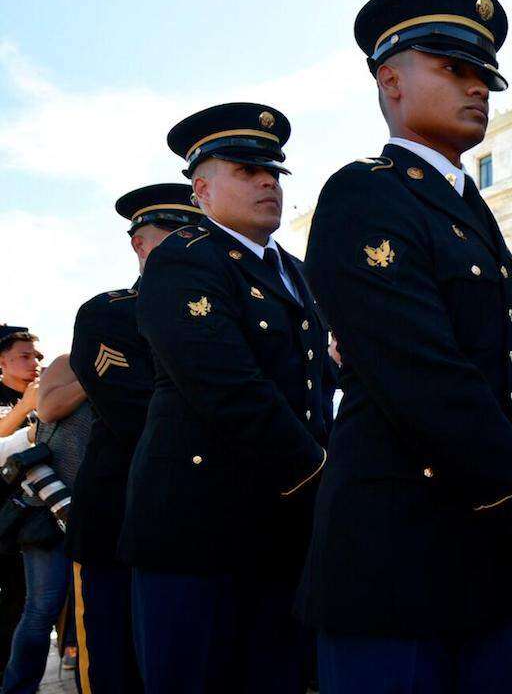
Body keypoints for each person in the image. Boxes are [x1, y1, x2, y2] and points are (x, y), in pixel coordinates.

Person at [301, 0, 512, 692]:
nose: (477, 90)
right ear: (391, 79)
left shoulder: (468, 209)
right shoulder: (364, 193)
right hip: (397, 556)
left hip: (482, 551)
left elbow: (495, 380)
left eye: (484, 76)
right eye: (453, 69)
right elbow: (423, 376)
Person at [121, 102, 332, 693]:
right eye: (246, 170)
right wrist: (323, 474)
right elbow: (226, 385)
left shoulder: (297, 271)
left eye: (274, 172)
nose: (268, 181)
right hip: (196, 528)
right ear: (202, 190)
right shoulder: (183, 261)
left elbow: (317, 387)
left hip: (280, 527)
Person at [64, 184, 201, 694]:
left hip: (203, 527)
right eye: (179, 236)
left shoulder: (225, 309)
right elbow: (139, 412)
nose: (196, 247)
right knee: (117, 668)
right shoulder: (111, 313)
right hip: (118, 524)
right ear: (141, 246)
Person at [1, 355, 88, 694]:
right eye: (25, 356)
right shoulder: (63, 375)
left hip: (89, 515)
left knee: (85, 607)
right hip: (48, 519)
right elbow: (36, 453)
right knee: (41, 609)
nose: (33, 363)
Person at [0, 327, 39, 672]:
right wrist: (26, 410)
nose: (34, 363)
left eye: (37, 356)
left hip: (37, 517)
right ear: (2, 362)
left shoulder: (46, 395)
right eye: (24, 356)